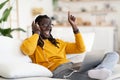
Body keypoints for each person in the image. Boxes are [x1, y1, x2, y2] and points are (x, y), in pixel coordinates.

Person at [20, 11, 119, 80]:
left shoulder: (58, 42)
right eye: (44, 25)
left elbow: (81, 48)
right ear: (36, 26)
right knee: (90, 78)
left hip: (73, 65)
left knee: (113, 54)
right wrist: (36, 33)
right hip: (58, 70)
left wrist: (74, 26)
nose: (48, 27)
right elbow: (27, 50)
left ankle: (101, 70)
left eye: (50, 25)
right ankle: (99, 73)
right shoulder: (31, 42)